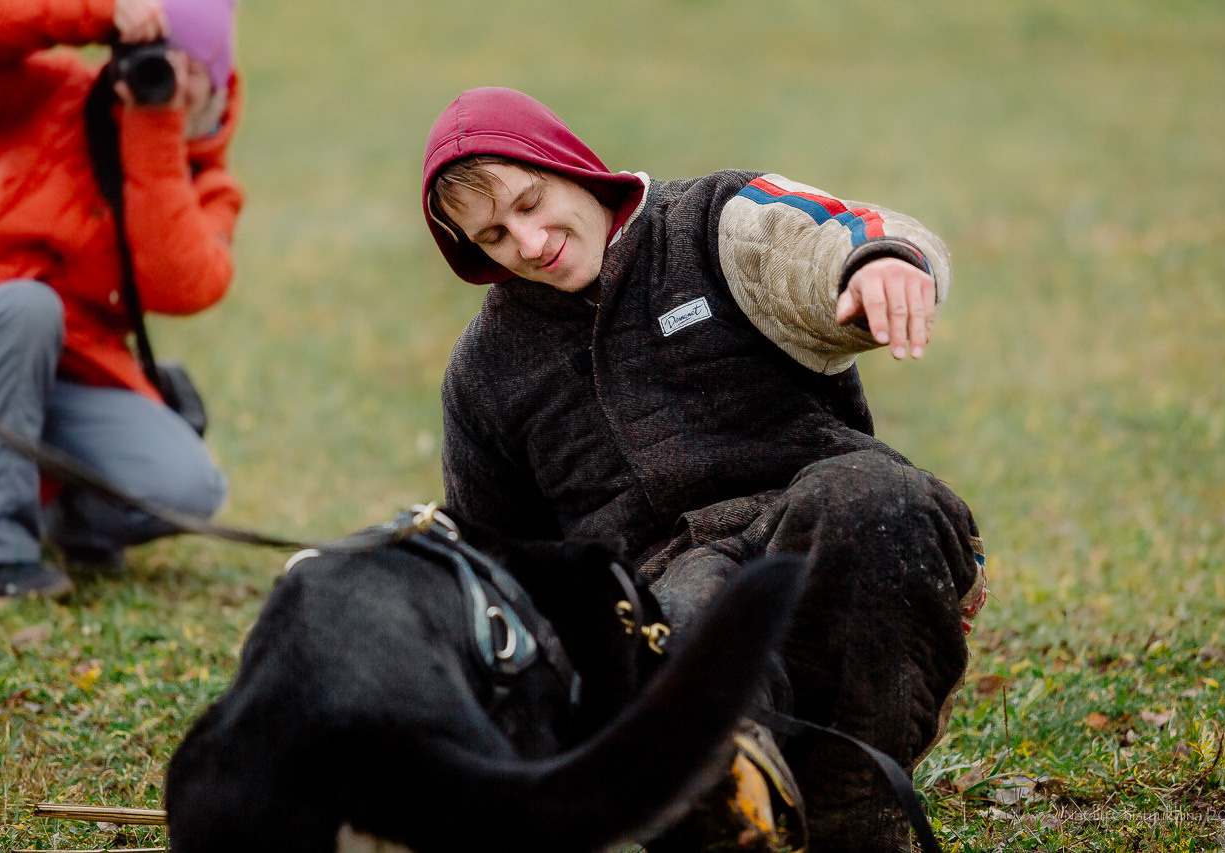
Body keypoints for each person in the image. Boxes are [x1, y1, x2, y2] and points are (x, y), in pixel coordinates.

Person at [421, 87, 988, 852]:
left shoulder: (714, 221)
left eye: (531, 201)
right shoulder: (484, 370)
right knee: (665, 649)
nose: (526, 242)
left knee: (875, 495)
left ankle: (857, 812)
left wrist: (881, 263)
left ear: (568, 165)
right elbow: (499, 568)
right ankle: (727, 807)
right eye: (493, 233)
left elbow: (832, 236)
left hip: (816, 532)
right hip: (660, 598)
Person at [0, 0, 242, 600]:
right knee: (29, 309)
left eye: (185, 69)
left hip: (79, 367)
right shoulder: (53, 92)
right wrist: (94, 13)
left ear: (218, 80)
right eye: (152, 55)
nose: (161, 74)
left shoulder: (213, 186)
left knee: (189, 490)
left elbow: (180, 286)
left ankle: (48, 514)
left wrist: (155, 130)